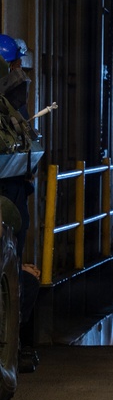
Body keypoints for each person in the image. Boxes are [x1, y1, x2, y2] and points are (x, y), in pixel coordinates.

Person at [0, 34, 39, 372]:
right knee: (14, 267)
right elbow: (27, 148)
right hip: (10, 193)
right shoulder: (14, 93)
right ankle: (14, 349)